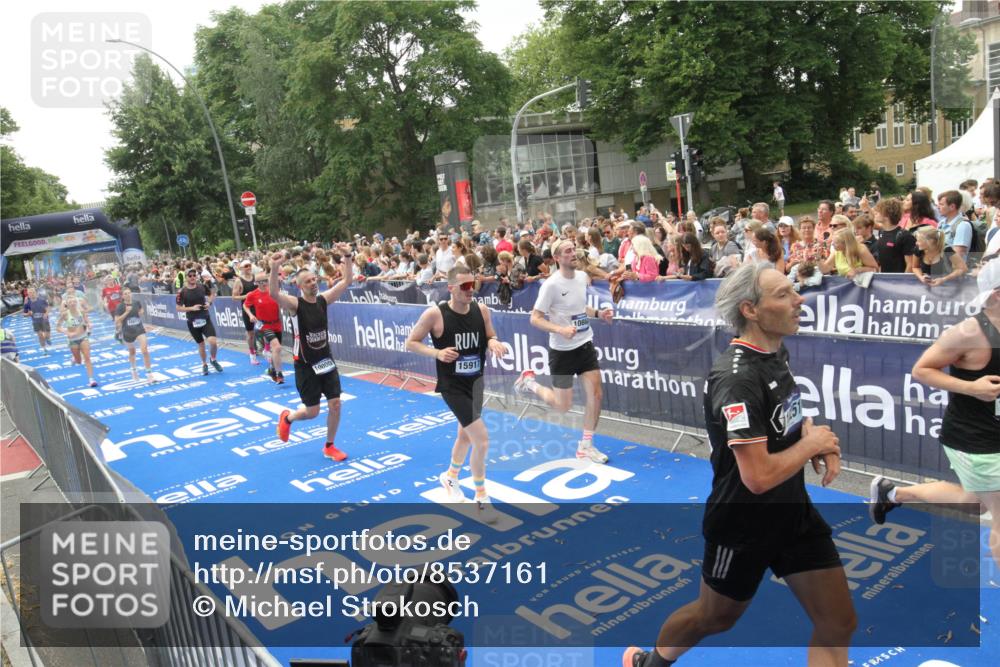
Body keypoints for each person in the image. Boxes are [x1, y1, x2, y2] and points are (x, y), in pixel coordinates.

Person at [623, 262, 854, 667]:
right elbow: (758, 477)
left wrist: (812, 439)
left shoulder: (774, 352)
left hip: (793, 515)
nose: (799, 299)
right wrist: (810, 444)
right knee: (713, 618)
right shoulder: (737, 378)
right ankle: (650, 664)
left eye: (793, 290)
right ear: (750, 309)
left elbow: (784, 417)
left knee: (838, 622)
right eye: (783, 294)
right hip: (743, 524)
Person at [870, 260, 1000, 569]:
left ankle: (894, 492)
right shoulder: (970, 333)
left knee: (975, 502)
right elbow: (922, 369)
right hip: (975, 439)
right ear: (996, 295)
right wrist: (972, 388)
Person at [405, 266, 507, 522]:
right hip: (452, 386)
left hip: (476, 383)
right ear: (450, 288)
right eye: (464, 286)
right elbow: (411, 342)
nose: (470, 289)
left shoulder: (481, 310)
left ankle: (450, 477)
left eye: (473, 284)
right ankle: (482, 498)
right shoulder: (435, 314)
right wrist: (437, 353)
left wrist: (493, 341)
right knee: (481, 440)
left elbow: (490, 334)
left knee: (465, 436)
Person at [514, 239, 614, 464]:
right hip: (562, 352)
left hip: (585, 345)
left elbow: (579, 308)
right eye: (567, 251)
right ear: (557, 258)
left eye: (573, 249)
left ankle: (586, 446)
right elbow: (535, 318)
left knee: (596, 394)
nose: (573, 253)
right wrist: (560, 329)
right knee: (563, 405)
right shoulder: (551, 285)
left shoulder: (581, 277)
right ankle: (530, 382)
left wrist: (598, 314)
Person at [271, 250, 354, 461]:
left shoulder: (323, 300)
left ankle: (329, 446)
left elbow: (347, 281)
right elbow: (273, 294)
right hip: (305, 365)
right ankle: (288, 418)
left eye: (314, 279)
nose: (313, 283)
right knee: (312, 412)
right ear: (300, 286)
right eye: (308, 281)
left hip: (326, 361)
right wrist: (273, 268)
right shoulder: (295, 305)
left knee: (335, 404)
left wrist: (347, 257)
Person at [176, 268, 223, 375]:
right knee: (201, 344)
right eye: (190, 276)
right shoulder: (182, 292)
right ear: (186, 277)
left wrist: (209, 303)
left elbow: (212, 294)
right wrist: (191, 308)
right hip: (192, 321)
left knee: (213, 342)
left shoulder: (202, 286)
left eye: (194, 275)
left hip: (205, 318)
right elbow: (178, 308)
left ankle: (213, 359)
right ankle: (204, 364)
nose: (193, 277)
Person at [245, 273, 286, 384]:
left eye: (265, 281)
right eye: (261, 282)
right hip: (264, 325)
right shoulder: (253, 295)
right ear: (256, 283)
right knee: (277, 347)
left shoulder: (273, 292)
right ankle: (279, 374)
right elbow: (246, 305)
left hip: (277, 324)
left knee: (276, 350)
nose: (264, 284)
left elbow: (282, 301)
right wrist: (250, 315)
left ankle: (272, 369)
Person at [57, 293, 98, 387]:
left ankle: (91, 379)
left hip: (83, 337)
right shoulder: (65, 314)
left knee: (87, 358)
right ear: (67, 304)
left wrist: (89, 324)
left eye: (74, 301)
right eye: (70, 302)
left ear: (76, 302)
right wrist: (68, 333)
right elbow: (58, 328)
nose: (72, 303)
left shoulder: (81, 311)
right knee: (79, 361)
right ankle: (75, 358)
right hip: (73, 340)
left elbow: (87, 320)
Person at [114, 287, 153, 383]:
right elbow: (117, 321)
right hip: (127, 331)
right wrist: (127, 312)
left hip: (139, 329)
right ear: (122, 296)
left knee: (145, 350)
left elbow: (141, 311)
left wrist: (140, 312)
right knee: (132, 352)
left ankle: (149, 374)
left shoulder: (136, 302)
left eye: (129, 293)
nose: (128, 295)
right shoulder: (120, 306)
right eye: (125, 294)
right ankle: (133, 370)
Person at [872, 198, 916, 274]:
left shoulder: (905, 236)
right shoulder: (882, 232)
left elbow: (910, 264)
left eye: (878, 212)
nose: (875, 213)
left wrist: (903, 283)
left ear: (887, 215)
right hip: (884, 280)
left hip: (898, 282)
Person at [231, 259, 261, 365]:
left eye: (250, 265)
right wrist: (247, 296)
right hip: (247, 308)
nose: (249, 268)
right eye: (246, 266)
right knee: (250, 332)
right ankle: (252, 353)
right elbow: (234, 296)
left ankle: (265, 349)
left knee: (264, 328)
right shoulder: (239, 280)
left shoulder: (255, 277)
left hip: (259, 306)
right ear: (242, 268)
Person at [22, 287, 51, 353]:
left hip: (44, 321)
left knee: (47, 335)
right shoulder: (28, 303)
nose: (32, 294)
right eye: (30, 293)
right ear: (28, 294)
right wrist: (28, 314)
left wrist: (46, 314)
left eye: (33, 292)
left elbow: (48, 308)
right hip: (35, 322)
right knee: (40, 335)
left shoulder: (42, 300)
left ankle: (47, 338)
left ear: (36, 293)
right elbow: (24, 314)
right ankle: (44, 349)